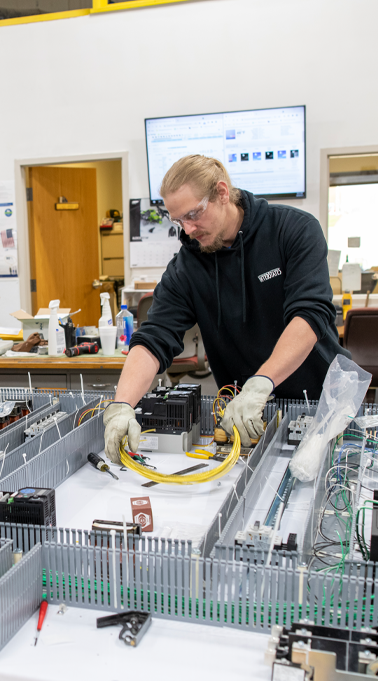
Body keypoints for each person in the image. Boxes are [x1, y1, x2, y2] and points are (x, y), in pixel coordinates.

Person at [104, 155, 349, 463]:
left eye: (194, 214)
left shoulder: (293, 230)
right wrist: (123, 404)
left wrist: (261, 384)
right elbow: (154, 337)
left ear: (222, 193)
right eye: (179, 220)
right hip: (242, 416)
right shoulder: (187, 267)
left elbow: (310, 316)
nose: (189, 229)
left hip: (318, 405)